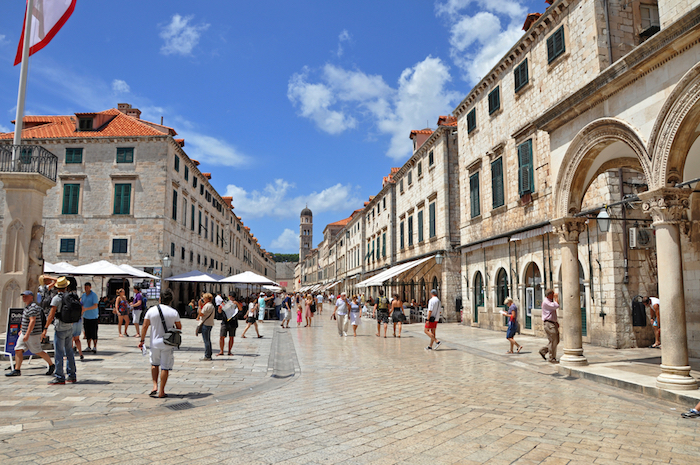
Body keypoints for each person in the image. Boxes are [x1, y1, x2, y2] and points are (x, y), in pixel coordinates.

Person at [138, 288, 182, 398]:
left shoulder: (151, 311)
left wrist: (142, 340)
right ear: (170, 300)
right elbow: (179, 327)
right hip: (167, 343)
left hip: (154, 342)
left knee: (154, 364)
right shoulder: (173, 312)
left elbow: (144, 326)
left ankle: (154, 386)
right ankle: (162, 391)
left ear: (160, 299)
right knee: (165, 367)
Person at [6, 291, 55, 377]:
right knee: (18, 349)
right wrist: (22, 330)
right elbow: (26, 321)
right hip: (25, 333)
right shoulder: (27, 307)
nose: (24, 298)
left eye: (26, 296)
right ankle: (17, 370)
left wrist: (27, 334)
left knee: (38, 351)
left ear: (31, 297)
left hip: (32, 334)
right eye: (23, 296)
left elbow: (32, 321)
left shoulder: (33, 307)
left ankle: (51, 365)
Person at [43, 277, 77, 385]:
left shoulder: (57, 298)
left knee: (59, 353)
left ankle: (59, 376)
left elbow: (51, 315)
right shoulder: (71, 297)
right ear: (66, 287)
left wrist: (45, 328)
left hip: (60, 328)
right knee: (69, 351)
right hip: (69, 327)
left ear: (57, 287)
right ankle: (72, 375)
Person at [66, 278, 85, 362]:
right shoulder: (79, 303)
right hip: (79, 321)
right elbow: (83, 310)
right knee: (77, 339)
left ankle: (69, 355)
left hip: (72, 322)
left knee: (70, 339)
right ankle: (80, 353)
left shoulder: (69, 303)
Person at [539, 289, 560, 363]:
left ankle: (543, 350)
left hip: (552, 323)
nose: (554, 296)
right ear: (549, 295)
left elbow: (552, 313)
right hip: (549, 323)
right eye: (553, 294)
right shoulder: (546, 302)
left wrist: (556, 321)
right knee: (553, 340)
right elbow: (557, 305)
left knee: (556, 340)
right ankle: (552, 358)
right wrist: (556, 298)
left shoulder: (549, 301)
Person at [81, 282, 99, 353]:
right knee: (87, 332)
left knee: (94, 332)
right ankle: (88, 346)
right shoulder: (83, 295)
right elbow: (82, 303)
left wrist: (86, 309)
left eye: (87, 287)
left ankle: (94, 346)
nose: (86, 289)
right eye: (85, 287)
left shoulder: (94, 295)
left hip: (93, 316)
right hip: (86, 316)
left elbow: (95, 305)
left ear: (90, 287)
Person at [198, 293, 216, 361]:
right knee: (208, 340)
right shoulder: (211, 305)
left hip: (205, 324)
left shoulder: (207, 306)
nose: (203, 299)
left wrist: (199, 306)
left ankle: (207, 355)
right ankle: (209, 354)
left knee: (206, 341)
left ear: (207, 299)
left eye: (204, 298)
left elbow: (201, 314)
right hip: (209, 324)